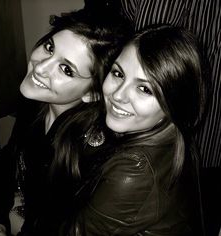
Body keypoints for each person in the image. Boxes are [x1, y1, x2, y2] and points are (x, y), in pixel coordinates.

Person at [0, 9, 132, 236]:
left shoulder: (88, 152)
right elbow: (8, 161)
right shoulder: (36, 101)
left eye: (66, 69)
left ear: (92, 94)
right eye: (49, 47)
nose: (40, 67)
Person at [53, 25, 207, 235]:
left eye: (144, 89)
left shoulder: (137, 169)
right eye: (118, 73)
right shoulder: (169, 132)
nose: (118, 95)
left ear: (174, 103)